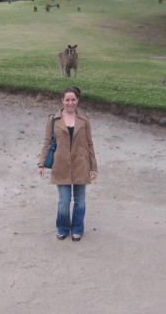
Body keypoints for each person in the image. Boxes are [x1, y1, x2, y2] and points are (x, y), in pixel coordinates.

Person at [38, 86, 98, 241]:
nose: (70, 103)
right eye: (67, 100)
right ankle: (63, 228)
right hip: (61, 165)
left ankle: (77, 229)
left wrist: (93, 167)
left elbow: (90, 144)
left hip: (80, 165)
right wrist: (41, 164)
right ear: (62, 100)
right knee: (64, 201)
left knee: (80, 201)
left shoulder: (84, 121)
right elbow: (47, 142)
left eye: (73, 99)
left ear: (77, 100)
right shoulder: (53, 120)